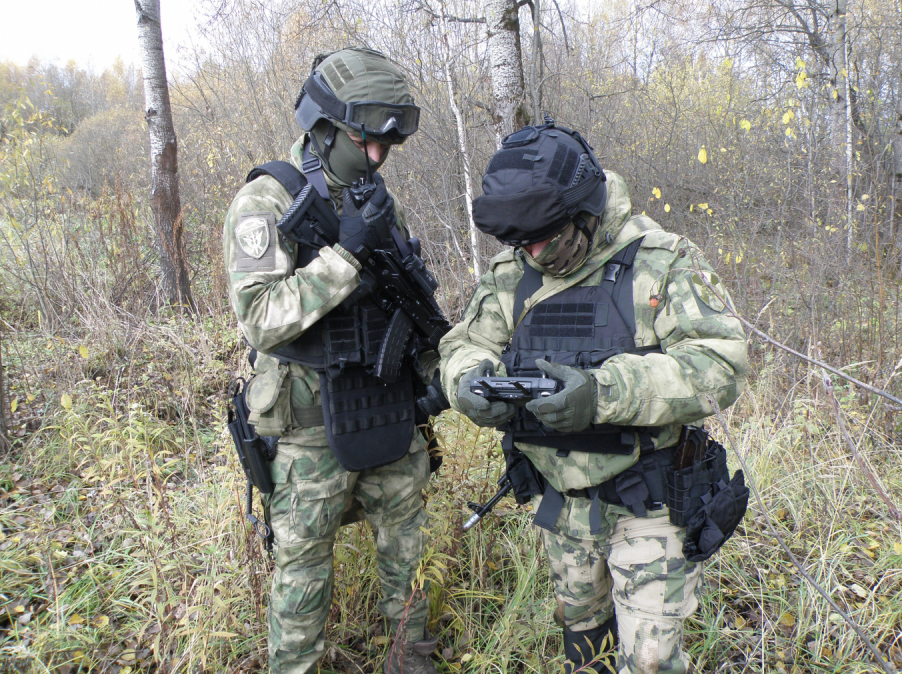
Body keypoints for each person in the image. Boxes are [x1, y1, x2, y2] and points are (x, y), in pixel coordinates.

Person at [438, 119, 749, 674]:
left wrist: (605, 392)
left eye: (545, 237)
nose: (532, 252)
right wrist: (468, 382)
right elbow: (465, 343)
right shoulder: (513, 274)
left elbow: (720, 364)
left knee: (650, 661)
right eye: (518, 242)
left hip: (649, 503)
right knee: (583, 643)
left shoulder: (663, 262)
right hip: (562, 504)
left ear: (585, 210)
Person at [223, 47, 447, 674]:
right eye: (363, 139)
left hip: (386, 405)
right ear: (321, 127)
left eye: (386, 145)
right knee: (302, 578)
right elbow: (262, 319)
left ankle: (411, 658)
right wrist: (342, 260)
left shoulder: (375, 199)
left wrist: (440, 372)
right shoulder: (266, 202)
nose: (376, 156)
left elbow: (409, 298)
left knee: (408, 555)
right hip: (306, 425)